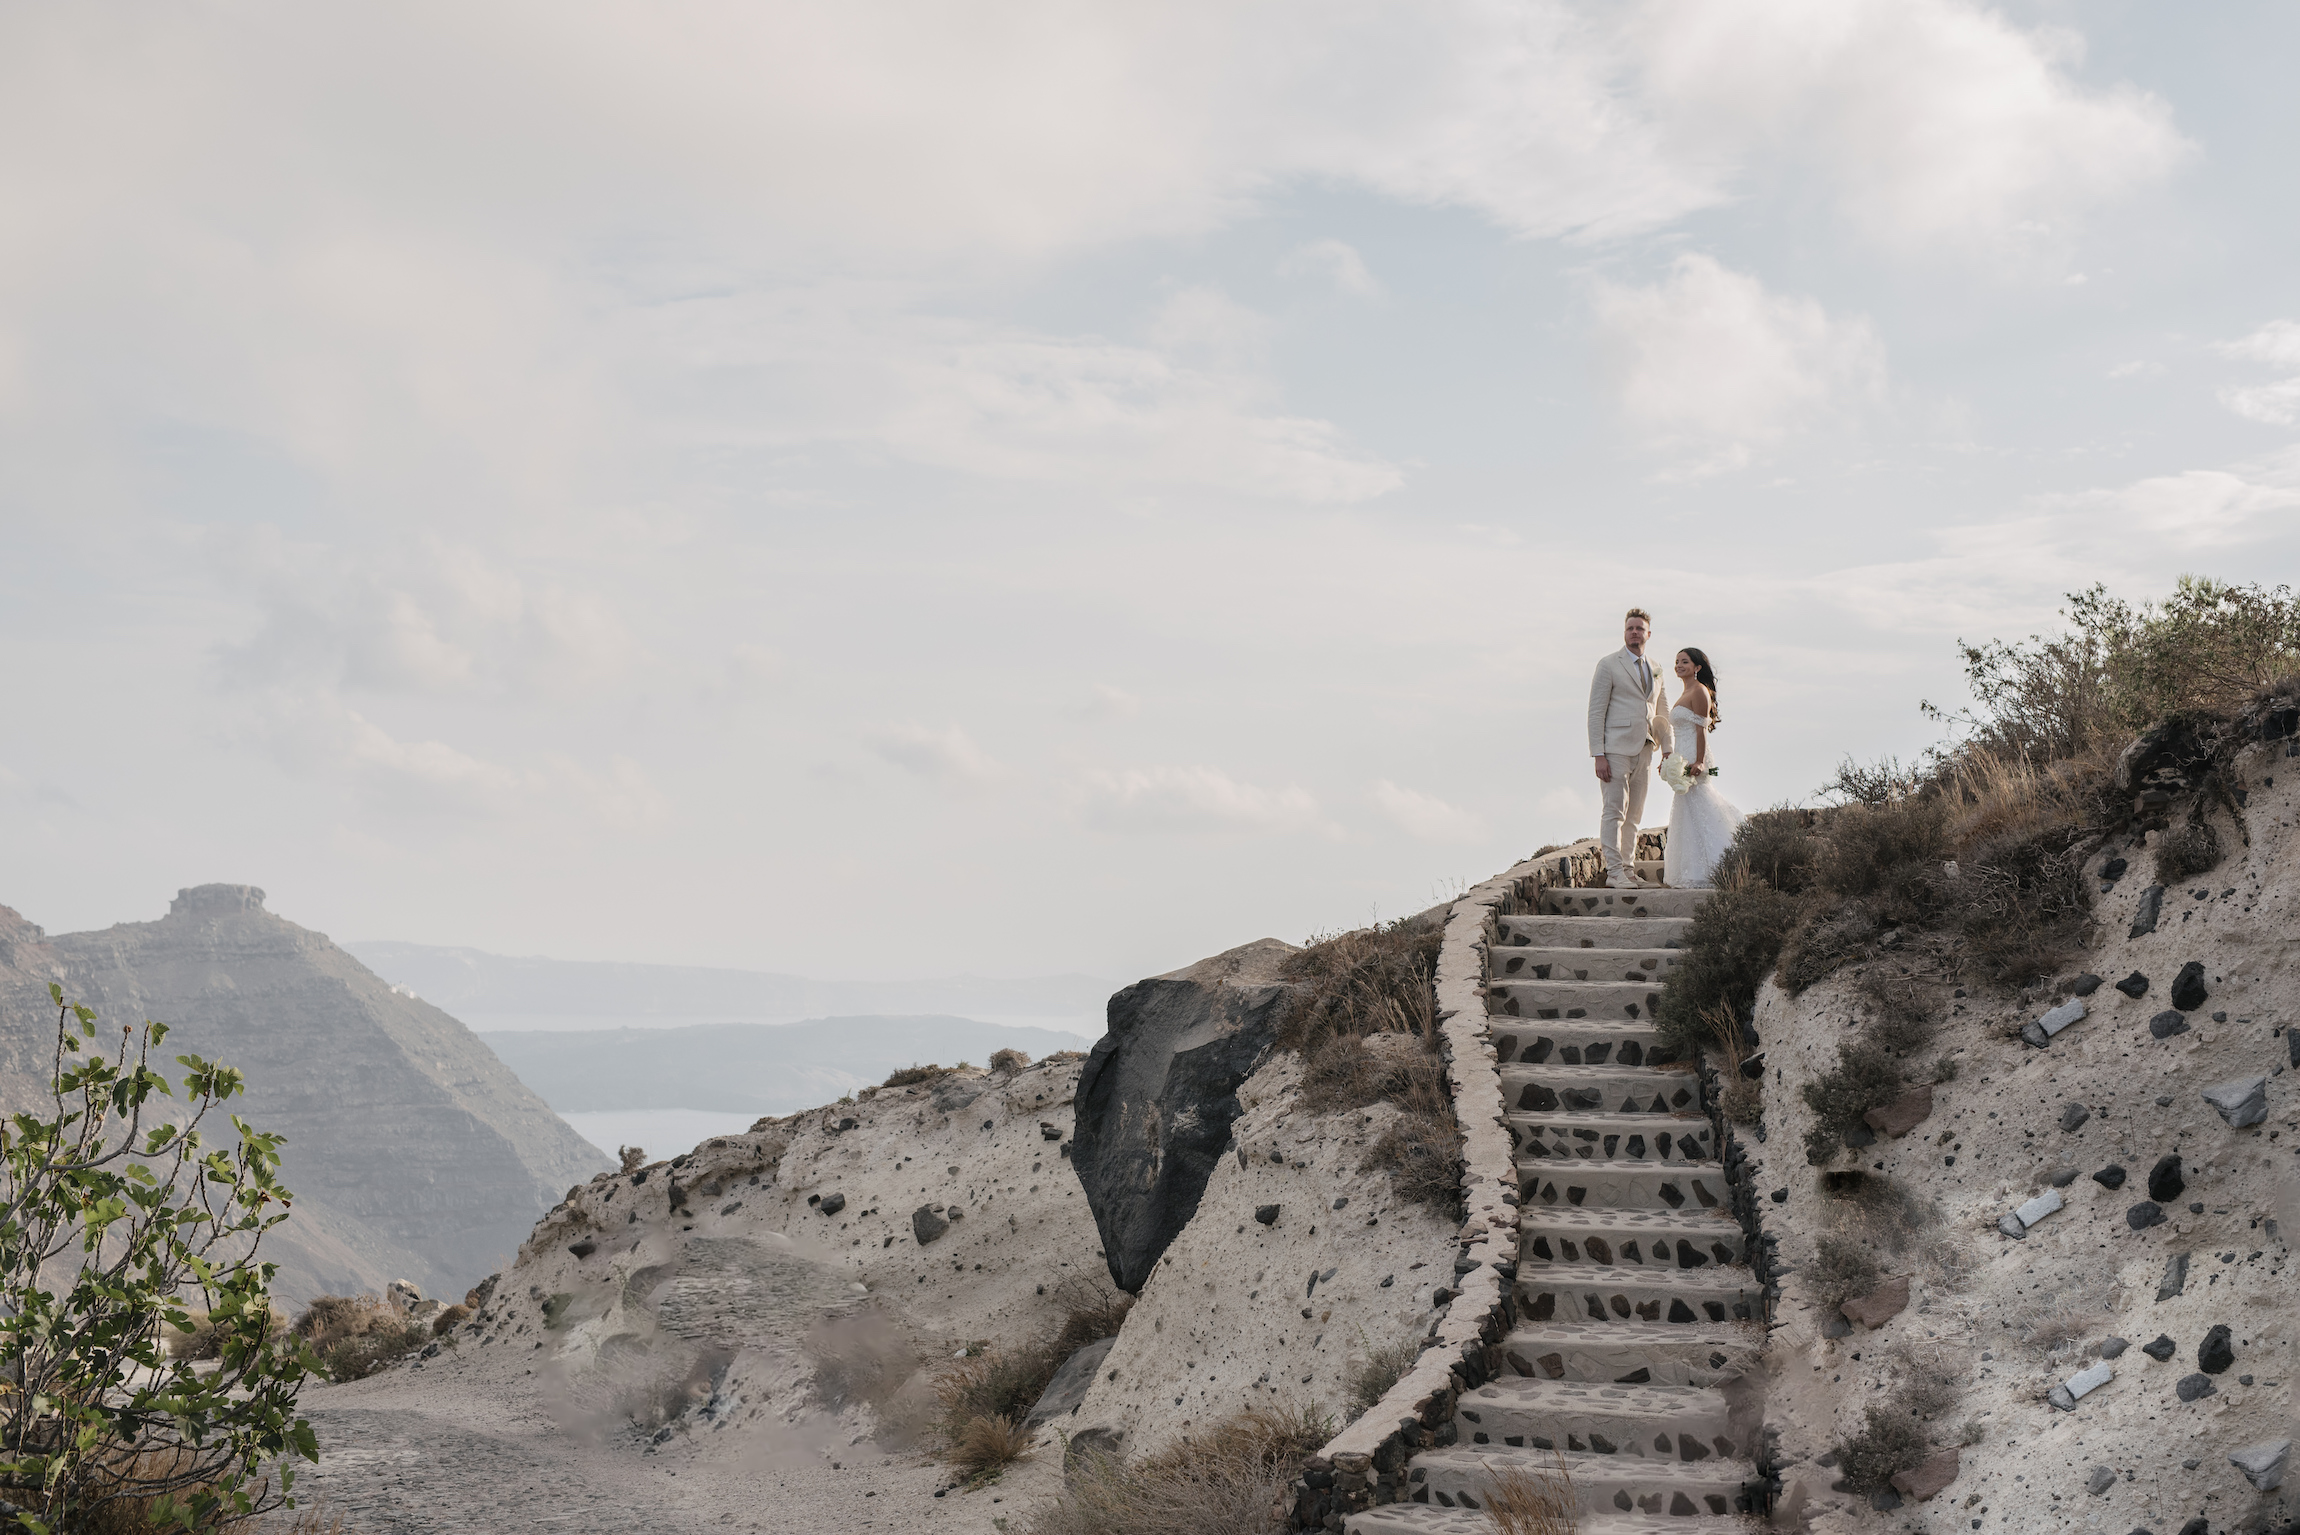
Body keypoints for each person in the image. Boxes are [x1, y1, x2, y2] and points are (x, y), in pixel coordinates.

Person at [1586, 607, 1672, 888]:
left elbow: (1662, 711)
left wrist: (1667, 749)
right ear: (1625, 632)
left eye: (1639, 629)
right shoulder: (1609, 664)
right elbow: (1596, 711)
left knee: (1635, 814)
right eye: (1630, 628)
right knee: (1614, 810)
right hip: (1615, 748)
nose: (1634, 633)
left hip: (1646, 747)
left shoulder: (1656, 668)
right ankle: (1613, 873)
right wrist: (1598, 754)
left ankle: (1628, 869)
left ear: (1648, 634)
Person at [1662, 647, 1746, 889]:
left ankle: (1717, 863)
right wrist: (1669, 760)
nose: (1678, 665)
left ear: (1697, 667)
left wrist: (1699, 761)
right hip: (1681, 754)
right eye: (1676, 661)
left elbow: (1701, 730)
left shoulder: (1699, 691)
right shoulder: (1685, 691)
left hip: (1693, 756)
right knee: (1686, 808)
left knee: (1701, 802)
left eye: (1685, 662)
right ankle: (1689, 870)